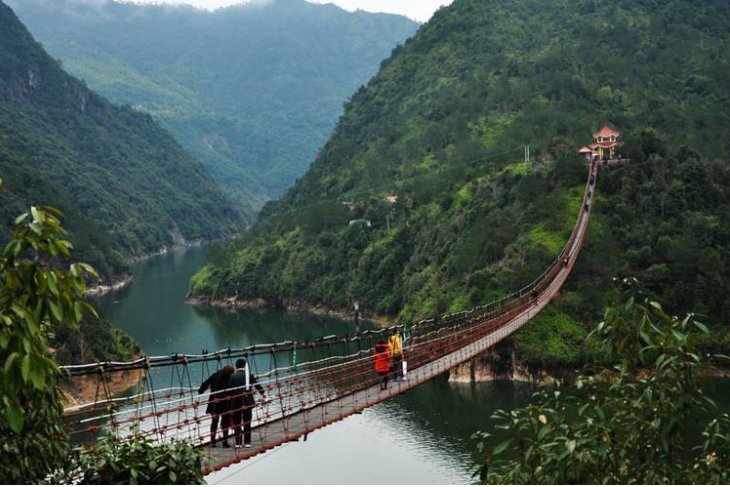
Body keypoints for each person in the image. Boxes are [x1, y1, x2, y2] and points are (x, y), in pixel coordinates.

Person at [226, 358, 267, 448]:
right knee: (247, 423)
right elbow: (257, 386)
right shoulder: (249, 375)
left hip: (235, 403)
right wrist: (263, 394)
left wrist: (229, 405)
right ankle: (247, 442)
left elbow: (229, 392)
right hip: (248, 402)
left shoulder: (232, 377)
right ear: (245, 366)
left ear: (236, 367)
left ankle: (238, 443)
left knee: (237, 423)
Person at [198, 364, 234, 447]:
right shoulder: (230, 378)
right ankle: (225, 442)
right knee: (225, 423)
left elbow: (205, 383)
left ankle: (213, 442)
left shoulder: (215, 376)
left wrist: (200, 391)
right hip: (226, 403)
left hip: (214, 403)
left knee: (214, 423)